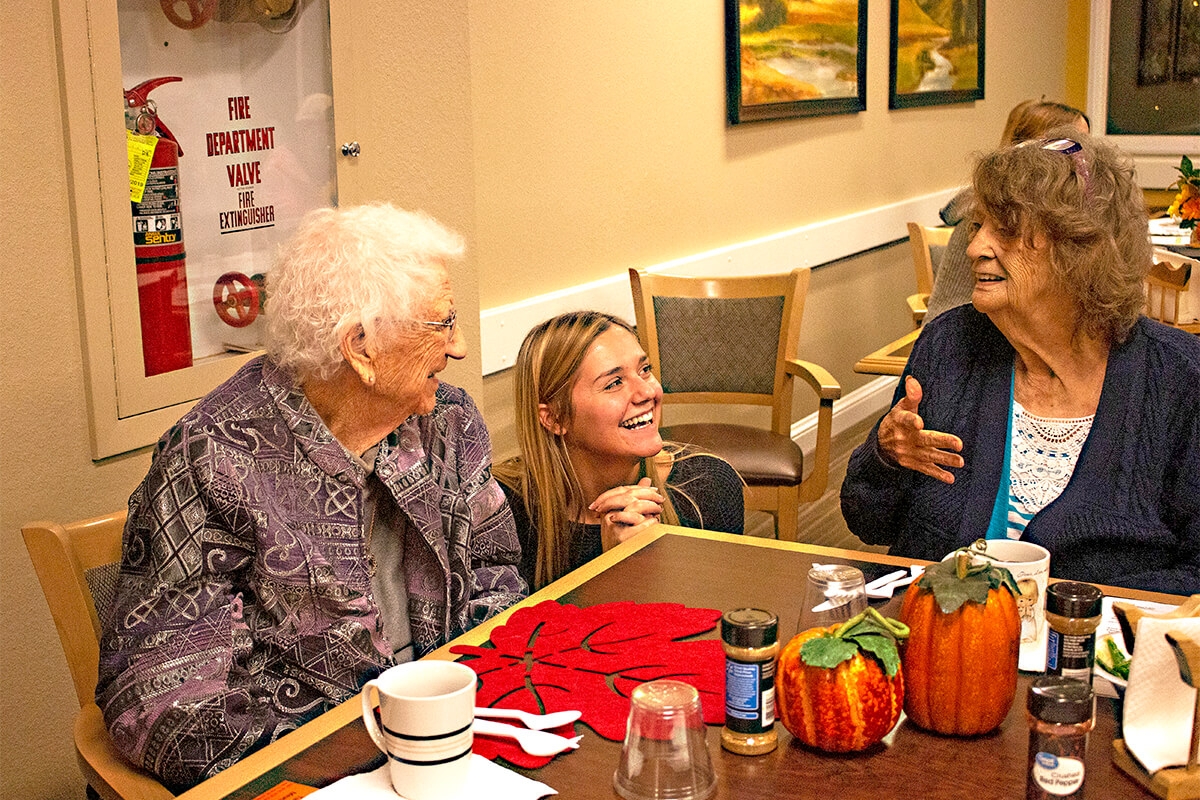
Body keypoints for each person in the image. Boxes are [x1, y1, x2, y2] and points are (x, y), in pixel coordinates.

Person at [96, 204, 526, 789]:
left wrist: (461, 707)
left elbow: (496, 573)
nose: (460, 348)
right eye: (442, 324)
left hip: (455, 745)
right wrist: (345, 753)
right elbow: (161, 691)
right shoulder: (213, 459)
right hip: (315, 770)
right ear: (361, 349)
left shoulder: (448, 423)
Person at [841, 130, 1200, 595]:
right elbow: (868, 523)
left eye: (1005, 230)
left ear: (1080, 249)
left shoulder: (1179, 380)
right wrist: (885, 457)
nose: (974, 248)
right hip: (942, 639)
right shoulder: (949, 347)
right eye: (977, 227)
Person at [494, 311, 744, 590]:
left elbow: (715, 615)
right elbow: (515, 632)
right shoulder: (501, 511)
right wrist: (610, 569)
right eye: (614, 383)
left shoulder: (707, 484)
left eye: (644, 370)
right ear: (554, 418)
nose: (647, 392)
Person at [923, 99, 1090, 323]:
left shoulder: (1080, 218)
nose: (1086, 159)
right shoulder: (978, 219)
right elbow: (940, 319)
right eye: (1075, 146)